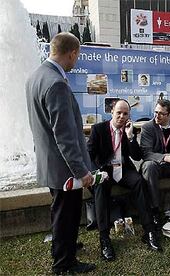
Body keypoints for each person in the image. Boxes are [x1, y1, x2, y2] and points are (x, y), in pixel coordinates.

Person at [25, 32, 96, 274]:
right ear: (72, 53)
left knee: (60, 210)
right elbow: (64, 137)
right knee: (66, 212)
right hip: (64, 167)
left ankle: (65, 245)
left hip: (49, 162)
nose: (77, 60)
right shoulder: (56, 83)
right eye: (78, 55)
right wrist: (82, 171)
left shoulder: (35, 76)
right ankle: (64, 263)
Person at [87, 99, 162, 260]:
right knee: (100, 186)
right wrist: (97, 172)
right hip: (105, 170)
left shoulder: (129, 130)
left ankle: (149, 231)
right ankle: (104, 238)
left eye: (125, 113)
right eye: (118, 113)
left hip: (124, 169)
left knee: (140, 182)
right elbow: (89, 156)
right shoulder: (98, 129)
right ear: (111, 112)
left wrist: (130, 137)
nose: (121, 116)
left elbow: (136, 156)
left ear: (129, 115)